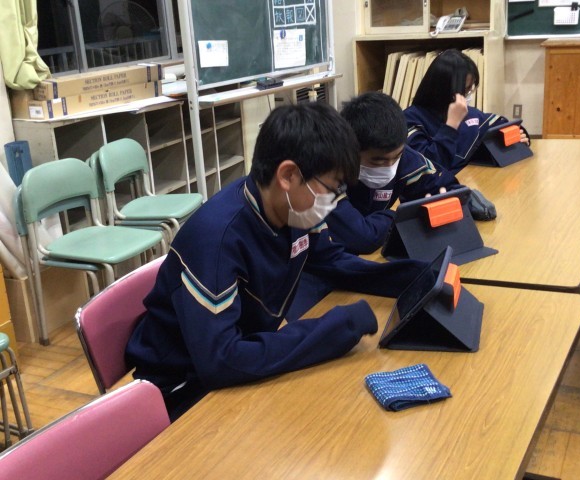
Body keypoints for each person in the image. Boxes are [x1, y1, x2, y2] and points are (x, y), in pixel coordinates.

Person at [125, 102, 435, 421]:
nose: (333, 203)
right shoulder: (217, 240)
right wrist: (337, 328)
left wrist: (415, 277)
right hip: (179, 394)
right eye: (331, 189)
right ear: (288, 175)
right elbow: (221, 360)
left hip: (238, 362)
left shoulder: (291, 209)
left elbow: (333, 263)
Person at [326, 91, 457, 255]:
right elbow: (362, 238)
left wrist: (445, 202)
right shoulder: (324, 174)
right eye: (378, 161)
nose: (389, 166)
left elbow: (448, 188)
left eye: (396, 157)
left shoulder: (399, 154)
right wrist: (399, 216)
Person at [404, 49, 530, 175]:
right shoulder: (410, 120)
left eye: (470, 89)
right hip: (441, 185)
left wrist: (519, 135)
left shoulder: (469, 114)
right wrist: (451, 125)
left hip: (469, 179)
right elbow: (430, 168)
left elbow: (498, 125)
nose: (468, 95)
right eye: (464, 90)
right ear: (444, 89)